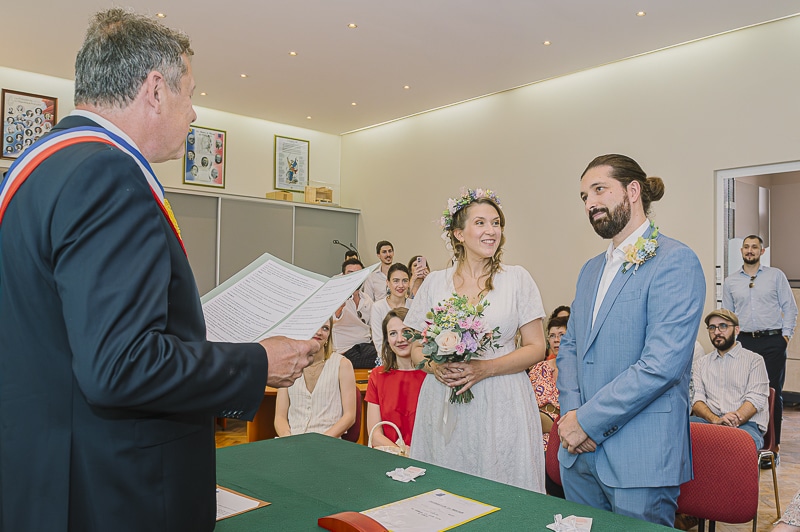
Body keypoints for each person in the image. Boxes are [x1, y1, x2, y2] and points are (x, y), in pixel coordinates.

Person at [0, 9, 320, 532]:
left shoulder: (36, 168)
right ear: (154, 90)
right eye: (189, 94)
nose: (194, 112)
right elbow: (119, 365)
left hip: (46, 474)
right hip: (116, 491)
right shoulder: (107, 173)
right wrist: (257, 363)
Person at [557, 154, 705, 526]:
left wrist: (585, 421)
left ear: (633, 191)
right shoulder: (590, 269)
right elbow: (570, 348)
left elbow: (660, 367)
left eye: (599, 189)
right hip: (578, 455)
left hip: (640, 457)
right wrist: (571, 419)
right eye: (584, 197)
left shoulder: (675, 261)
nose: (590, 203)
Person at [405, 188, 547, 492]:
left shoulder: (517, 279)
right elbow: (415, 347)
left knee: (502, 481)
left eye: (496, 223)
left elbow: (537, 347)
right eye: (480, 223)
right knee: (445, 485)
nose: (491, 231)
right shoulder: (435, 283)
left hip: (502, 398)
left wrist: (485, 368)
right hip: (444, 397)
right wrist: (434, 367)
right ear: (459, 234)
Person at [722, 235, 796, 457]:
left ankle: (772, 446)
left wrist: (785, 337)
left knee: (772, 392)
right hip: (744, 342)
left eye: (754, 247)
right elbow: (728, 315)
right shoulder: (731, 282)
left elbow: (790, 308)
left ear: (762, 251)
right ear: (742, 251)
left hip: (773, 342)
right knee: (742, 391)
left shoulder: (775, 276)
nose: (750, 250)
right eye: (746, 247)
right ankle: (746, 443)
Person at [690, 309, 769, 448]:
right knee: (679, 431)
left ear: (736, 330)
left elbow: (755, 400)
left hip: (746, 425)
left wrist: (732, 420)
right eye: (712, 327)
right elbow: (696, 400)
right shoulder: (701, 364)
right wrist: (716, 420)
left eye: (723, 326)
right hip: (710, 422)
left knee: (739, 445)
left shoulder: (754, 361)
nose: (717, 332)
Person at [274, 319, 357, 438]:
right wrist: (287, 438)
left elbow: (349, 416)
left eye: (325, 328)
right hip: (293, 441)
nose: (319, 332)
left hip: (327, 441)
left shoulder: (343, 364)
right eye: (316, 326)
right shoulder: (287, 366)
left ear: (329, 336)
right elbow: (280, 417)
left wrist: (321, 441)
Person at [365, 308, 426, 450]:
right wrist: (401, 453)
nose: (400, 339)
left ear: (417, 334)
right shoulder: (377, 376)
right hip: (389, 455)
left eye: (406, 331)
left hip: (424, 456)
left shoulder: (430, 376)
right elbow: (375, 434)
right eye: (393, 333)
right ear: (387, 340)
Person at [531, 315, 568, 448]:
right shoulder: (539, 368)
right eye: (552, 336)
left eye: (561, 335)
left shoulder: (578, 371)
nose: (556, 340)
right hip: (537, 435)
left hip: (565, 436)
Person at [333, 258, 378, 368]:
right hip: (345, 351)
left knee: (388, 350)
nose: (355, 277)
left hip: (365, 346)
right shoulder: (336, 297)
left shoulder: (366, 299)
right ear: (343, 276)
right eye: (350, 274)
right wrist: (340, 306)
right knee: (380, 357)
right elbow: (331, 320)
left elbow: (376, 324)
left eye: (358, 274)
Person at [370, 263, 410, 351]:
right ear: (387, 283)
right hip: (387, 356)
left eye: (405, 281)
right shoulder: (378, 307)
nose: (401, 285)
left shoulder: (414, 305)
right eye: (396, 281)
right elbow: (379, 343)